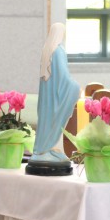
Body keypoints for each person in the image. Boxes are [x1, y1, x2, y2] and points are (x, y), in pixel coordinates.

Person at [27, 23, 79, 171]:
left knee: (47, 122)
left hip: (46, 99)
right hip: (56, 97)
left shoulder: (47, 50)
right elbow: (63, 75)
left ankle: (44, 150)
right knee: (55, 122)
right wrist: (74, 86)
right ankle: (50, 149)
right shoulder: (58, 50)